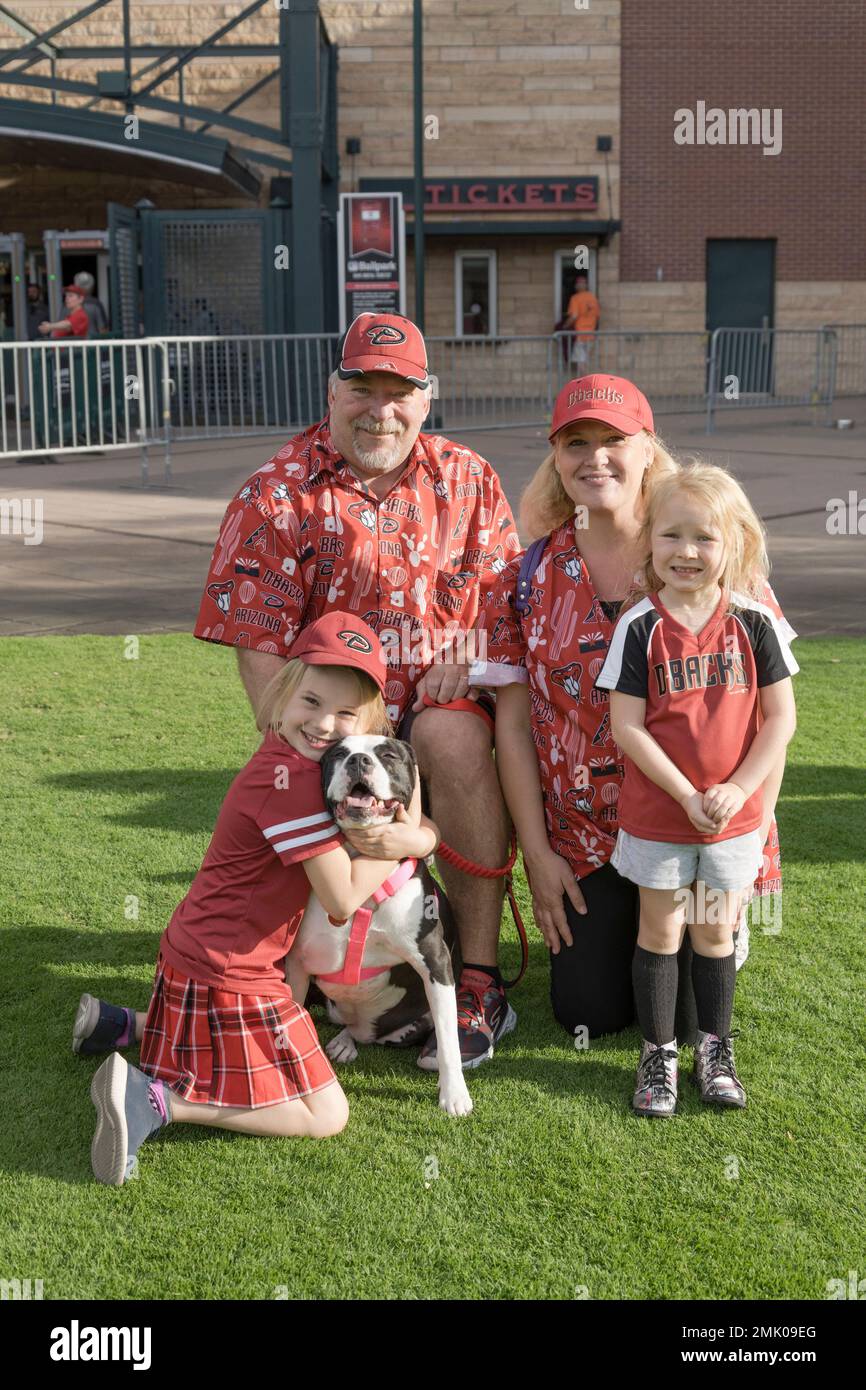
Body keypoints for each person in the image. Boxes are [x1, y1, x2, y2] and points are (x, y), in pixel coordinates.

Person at [193, 311, 522, 1070]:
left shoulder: (468, 478)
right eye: (363, 388)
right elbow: (260, 647)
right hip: (336, 717)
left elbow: (508, 605)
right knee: (316, 773)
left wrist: (469, 657)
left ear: (427, 397)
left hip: (439, 707)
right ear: (332, 389)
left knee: (453, 733)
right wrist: (300, 748)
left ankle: (476, 979)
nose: (382, 408)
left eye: (400, 391)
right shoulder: (273, 494)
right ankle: (298, 965)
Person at [469, 374, 796, 1043]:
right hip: (586, 840)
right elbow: (514, 726)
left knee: (693, 1016)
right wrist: (538, 855)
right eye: (575, 442)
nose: (596, 457)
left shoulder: (705, 556)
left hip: (695, 824)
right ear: (556, 459)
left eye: (614, 440)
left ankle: (719, 931)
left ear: (649, 449)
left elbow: (772, 720)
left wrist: (748, 836)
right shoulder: (526, 579)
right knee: (588, 1012)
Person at [74, 614, 440, 1186]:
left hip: (198, 960)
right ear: (282, 691)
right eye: (311, 701)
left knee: (271, 1023)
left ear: (368, 723)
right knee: (327, 1114)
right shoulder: (293, 787)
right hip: (231, 975)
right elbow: (342, 898)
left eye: (344, 714)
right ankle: (154, 1100)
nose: (323, 724)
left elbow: (403, 803)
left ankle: (123, 1025)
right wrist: (416, 841)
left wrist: (417, 834)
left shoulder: (293, 759)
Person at [596, 461, 798, 1116]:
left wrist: (739, 792)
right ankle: (659, 1057)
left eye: (704, 538)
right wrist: (686, 794)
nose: (686, 552)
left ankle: (715, 1047)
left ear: (734, 543)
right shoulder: (641, 626)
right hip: (661, 816)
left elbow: (781, 720)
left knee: (714, 933)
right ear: (649, 542)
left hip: (731, 821)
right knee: (658, 931)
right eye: (672, 536)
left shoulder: (754, 623)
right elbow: (626, 727)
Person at [563, 272, 600, 367]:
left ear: (577, 286)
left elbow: (574, 316)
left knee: (581, 363)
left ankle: (584, 382)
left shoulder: (576, 298)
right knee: (585, 362)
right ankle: (587, 381)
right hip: (591, 335)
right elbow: (597, 316)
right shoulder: (593, 298)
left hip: (580, 335)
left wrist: (564, 326)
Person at [73, 271, 109, 337]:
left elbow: (60, 331)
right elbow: (103, 330)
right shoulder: (96, 304)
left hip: (74, 345)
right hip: (93, 345)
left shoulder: (68, 304)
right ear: (92, 287)